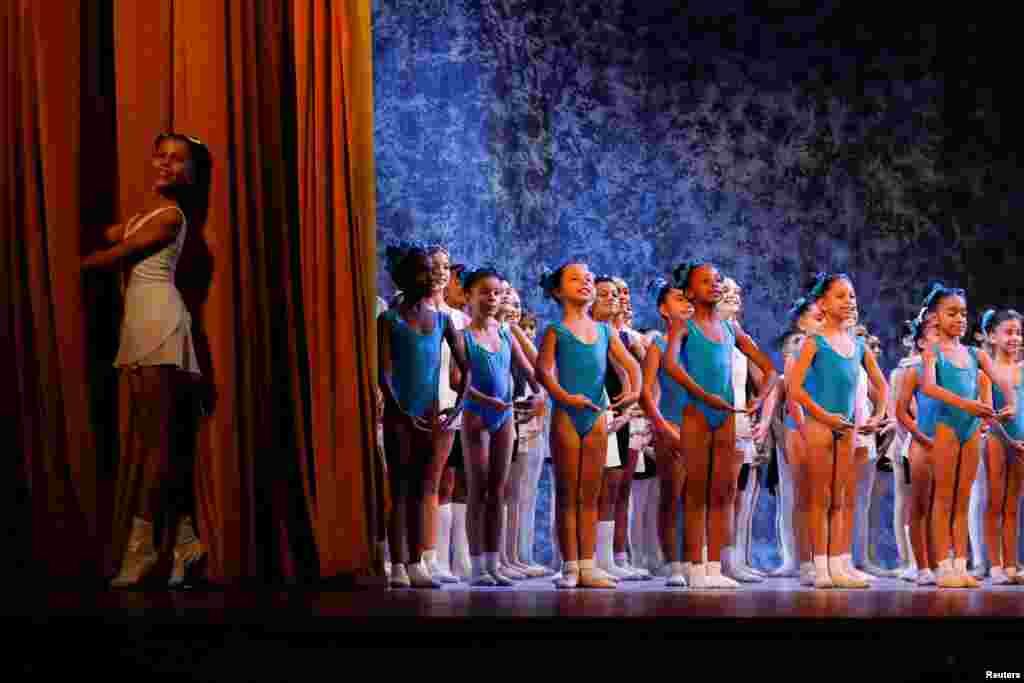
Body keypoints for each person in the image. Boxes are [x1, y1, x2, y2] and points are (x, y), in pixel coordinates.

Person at [83, 133, 210, 588]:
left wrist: (66, 263)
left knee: (158, 447)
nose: (166, 164)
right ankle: (185, 540)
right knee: (158, 445)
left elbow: (116, 254)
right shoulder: (145, 215)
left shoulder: (172, 217)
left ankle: (142, 548)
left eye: (177, 160)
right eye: (161, 155)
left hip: (160, 322)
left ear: (190, 173)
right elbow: (109, 233)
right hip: (138, 325)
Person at [662, 260, 778, 589]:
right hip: (697, 415)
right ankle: (695, 568)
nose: (714, 285)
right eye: (705, 281)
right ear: (688, 292)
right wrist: (701, 394)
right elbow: (670, 364)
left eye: (717, 281)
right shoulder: (684, 325)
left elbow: (769, 368)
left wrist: (759, 398)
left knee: (720, 494)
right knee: (696, 491)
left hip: (726, 416)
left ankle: (714, 566)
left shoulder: (731, 329)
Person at [536, 262, 641, 589]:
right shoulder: (556, 330)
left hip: (596, 418)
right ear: (557, 290)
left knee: (591, 494)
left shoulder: (606, 332)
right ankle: (570, 565)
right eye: (575, 279)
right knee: (568, 493)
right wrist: (566, 397)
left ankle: (589, 564)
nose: (585, 283)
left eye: (589, 279)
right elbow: (543, 372)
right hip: (568, 416)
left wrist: (634, 390)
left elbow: (630, 365)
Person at [378, 241, 471, 588]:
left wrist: (457, 408)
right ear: (404, 276)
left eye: (431, 269)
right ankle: (398, 563)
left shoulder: (444, 319)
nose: (429, 275)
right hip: (402, 417)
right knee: (400, 488)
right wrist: (400, 407)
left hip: (433, 417)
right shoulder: (388, 319)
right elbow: (383, 371)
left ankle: (418, 562)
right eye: (421, 269)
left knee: (424, 489)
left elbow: (467, 367)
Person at [787, 273, 889, 589]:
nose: (848, 302)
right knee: (821, 497)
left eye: (852, 296)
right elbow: (794, 387)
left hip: (848, 428)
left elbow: (881, 385)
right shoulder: (813, 342)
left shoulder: (858, 344)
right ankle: (820, 568)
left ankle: (838, 563)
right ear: (822, 303)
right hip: (821, 426)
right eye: (840, 296)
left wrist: (879, 416)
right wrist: (822, 415)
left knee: (841, 496)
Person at [918, 282, 1014, 588]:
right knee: (943, 497)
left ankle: (961, 565)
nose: (960, 319)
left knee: (962, 499)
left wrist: (1010, 402)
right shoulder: (933, 350)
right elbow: (930, 387)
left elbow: (1001, 379)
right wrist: (968, 404)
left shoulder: (974, 353)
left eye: (963, 313)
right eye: (952, 313)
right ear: (935, 318)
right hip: (947, 425)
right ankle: (943, 567)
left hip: (971, 429)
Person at [978, 309, 1024, 584]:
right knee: (995, 502)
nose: (1015, 337)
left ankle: (1010, 564)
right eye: (1008, 332)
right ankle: (994, 565)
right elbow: (986, 412)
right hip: (997, 439)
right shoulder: (987, 370)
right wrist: (1006, 436)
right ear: (992, 336)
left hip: (1021, 443)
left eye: (1018, 332)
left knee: (1013, 505)